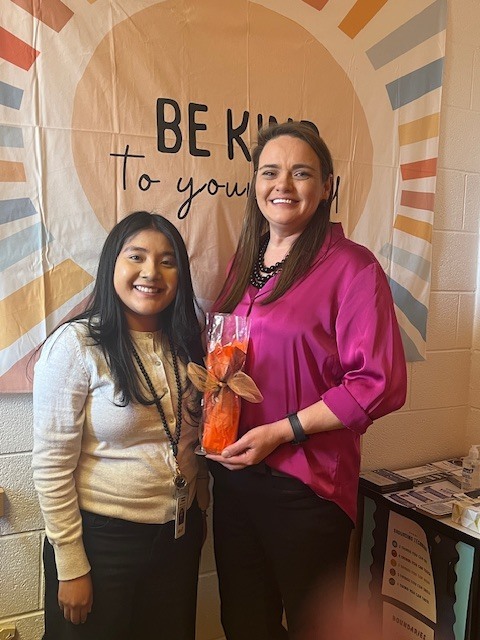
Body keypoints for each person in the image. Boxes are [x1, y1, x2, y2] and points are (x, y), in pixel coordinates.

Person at [206, 121, 407, 640]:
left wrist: (281, 430)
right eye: (271, 172)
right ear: (255, 182)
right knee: (244, 624)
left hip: (306, 488)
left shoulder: (352, 269)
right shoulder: (245, 264)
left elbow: (377, 382)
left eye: (301, 173)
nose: (284, 186)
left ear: (326, 188)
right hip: (235, 479)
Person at [32, 211, 209, 640]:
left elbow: (191, 439)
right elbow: (51, 467)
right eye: (137, 257)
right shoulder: (76, 345)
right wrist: (70, 566)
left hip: (177, 539)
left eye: (168, 261)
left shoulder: (188, 343)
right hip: (101, 542)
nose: (152, 272)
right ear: (113, 263)